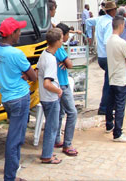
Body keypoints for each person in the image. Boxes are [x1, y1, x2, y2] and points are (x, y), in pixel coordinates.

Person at [0, 17, 37, 181]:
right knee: (15, 139)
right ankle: (10, 177)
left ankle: (14, 169)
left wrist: (23, 74)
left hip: (7, 99)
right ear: (12, 33)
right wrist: (27, 74)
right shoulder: (16, 54)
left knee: (15, 136)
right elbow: (33, 76)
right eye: (18, 31)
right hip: (19, 98)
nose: (20, 34)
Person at [106, 15, 126, 142]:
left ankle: (109, 125)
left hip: (112, 77)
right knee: (120, 106)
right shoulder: (122, 42)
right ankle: (118, 133)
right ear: (122, 25)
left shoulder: (109, 41)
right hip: (121, 78)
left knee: (110, 103)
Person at [85, 0, 117, 115]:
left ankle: (108, 105)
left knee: (109, 81)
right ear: (113, 11)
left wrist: (88, 34)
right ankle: (104, 107)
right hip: (107, 56)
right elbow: (107, 41)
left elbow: (88, 21)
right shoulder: (109, 23)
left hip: (101, 56)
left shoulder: (100, 19)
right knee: (109, 82)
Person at [37, 28, 63, 164]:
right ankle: (47, 155)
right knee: (52, 127)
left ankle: (48, 153)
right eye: (62, 39)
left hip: (44, 96)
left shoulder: (44, 54)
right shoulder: (51, 60)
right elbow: (48, 83)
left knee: (50, 126)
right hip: (50, 97)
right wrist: (58, 91)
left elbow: (37, 73)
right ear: (57, 41)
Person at [53, 23, 78, 156]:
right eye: (67, 34)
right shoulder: (59, 49)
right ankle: (67, 144)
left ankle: (57, 139)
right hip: (62, 83)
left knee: (60, 113)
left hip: (56, 83)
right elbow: (70, 64)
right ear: (62, 36)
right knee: (72, 113)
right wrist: (66, 62)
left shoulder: (51, 48)